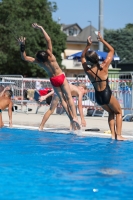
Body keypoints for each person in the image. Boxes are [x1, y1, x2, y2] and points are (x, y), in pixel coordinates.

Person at [17, 23, 80, 130]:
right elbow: (48, 40)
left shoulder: (39, 62)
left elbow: (25, 58)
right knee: (69, 97)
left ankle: (71, 119)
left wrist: (22, 47)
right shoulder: (50, 55)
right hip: (61, 77)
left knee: (62, 100)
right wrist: (41, 27)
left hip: (54, 80)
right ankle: (75, 117)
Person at [81, 32, 126, 141]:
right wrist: (102, 40)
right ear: (97, 58)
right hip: (106, 94)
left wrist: (87, 45)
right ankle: (118, 135)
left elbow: (82, 57)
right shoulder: (104, 66)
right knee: (119, 112)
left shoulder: (87, 70)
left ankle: (113, 135)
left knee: (111, 112)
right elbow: (112, 50)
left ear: (89, 61)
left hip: (98, 97)